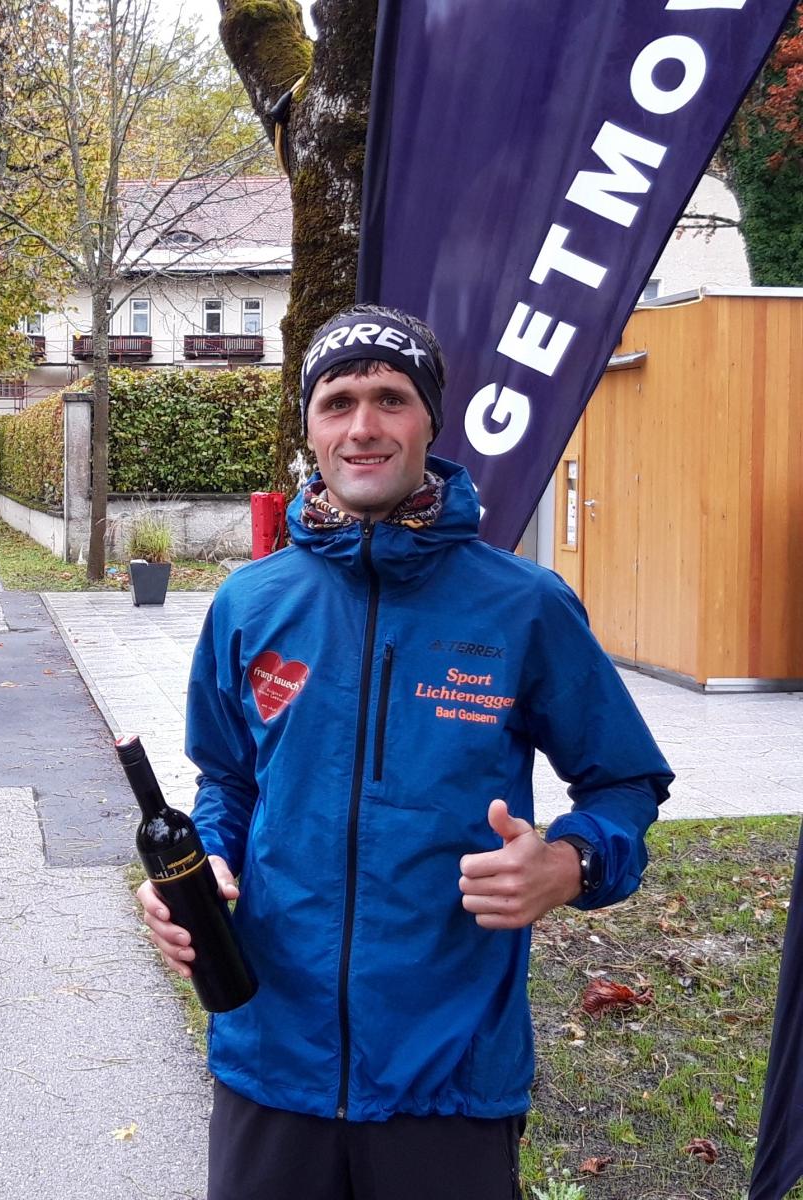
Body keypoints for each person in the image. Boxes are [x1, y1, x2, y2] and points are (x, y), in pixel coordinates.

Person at [138, 304, 672, 1200]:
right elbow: (228, 779)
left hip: (450, 1075)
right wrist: (205, 869)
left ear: (430, 417)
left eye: (391, 398)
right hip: (274, 1056)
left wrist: (572, 865)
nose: (363, 426)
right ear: (309, 425)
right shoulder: (249, 605)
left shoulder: (524, 606)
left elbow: (625, 781)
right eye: (338, 401)